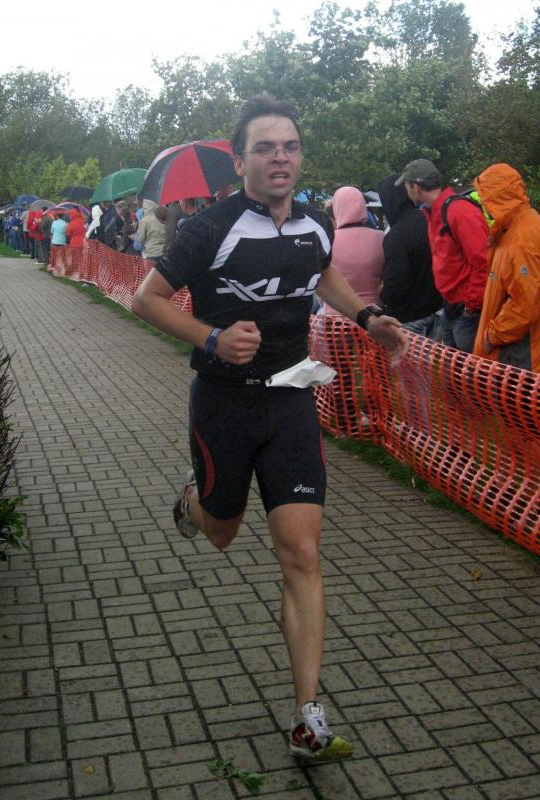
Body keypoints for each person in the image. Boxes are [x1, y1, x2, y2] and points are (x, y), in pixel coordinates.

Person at [132, 94, 407, 764]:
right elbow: (146, 299)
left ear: (299, 155)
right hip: (223, 402)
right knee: (222, 532)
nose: (279, 158)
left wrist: (367, 318)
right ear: (241, 160)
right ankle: (196, 503)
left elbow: (324, 272)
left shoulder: (317, 222)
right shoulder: (210, 228)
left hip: (290, 397)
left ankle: (308, 717)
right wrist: (211, 337)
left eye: (289, 147)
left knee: (302, 554)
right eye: (265, 148)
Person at [395, 158, 489, 353]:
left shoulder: (458, 211)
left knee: (472, 368)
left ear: (416, 187)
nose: (405, 190)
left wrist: (471, 306)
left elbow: (484, 263)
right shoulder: (435, 212)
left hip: (467, 310)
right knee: (456, 368)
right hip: (452, 308)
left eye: (406, 185)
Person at [472, 163, 540, 372]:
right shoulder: (517, 228)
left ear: (497, 198)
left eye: (485, 198)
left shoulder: (520, 240)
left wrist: (493, 336)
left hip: (523, 349)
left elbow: (525, 303)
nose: (483, 204)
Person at [376, 174, 442, 336]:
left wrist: (383, 293)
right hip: (437, 310)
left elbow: (396, 285)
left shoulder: (396, 235)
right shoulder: (430, 221)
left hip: (408, 317)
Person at [319, 186, 384, 313]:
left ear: (337, 208)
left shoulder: (328, 239)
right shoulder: (381, 238)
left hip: (335, 314)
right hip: (373, 314)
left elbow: (321, 283)